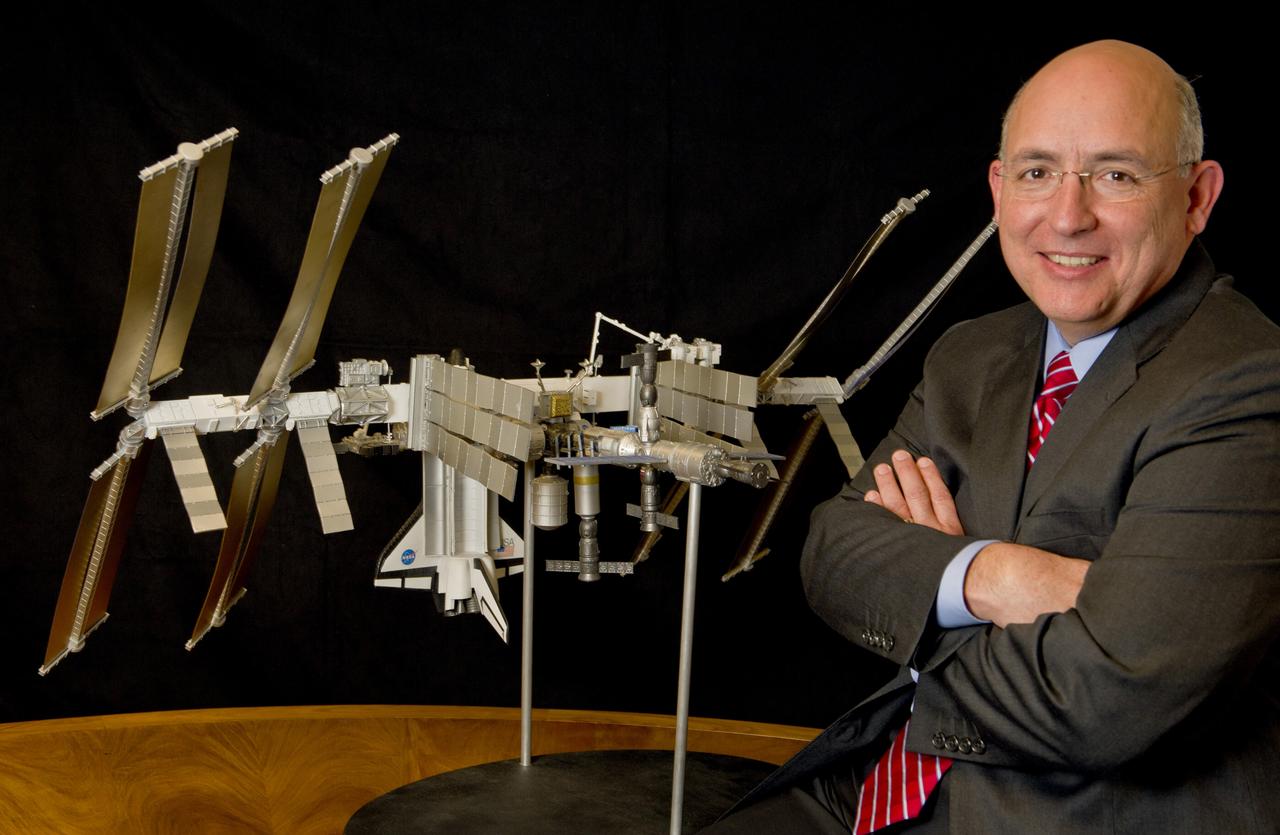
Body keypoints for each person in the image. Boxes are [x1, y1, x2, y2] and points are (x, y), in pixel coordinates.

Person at [707, 40, 1280, 834]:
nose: (1068, 215)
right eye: (1037, 171)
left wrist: (927, 595)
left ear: (1195, 197)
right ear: (998, 189)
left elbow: (1104, 700)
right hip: (875, 781)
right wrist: (1000, 575)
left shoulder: (1247, 379)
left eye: (1116, 174)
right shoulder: (971, 355)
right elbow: (833, 553)